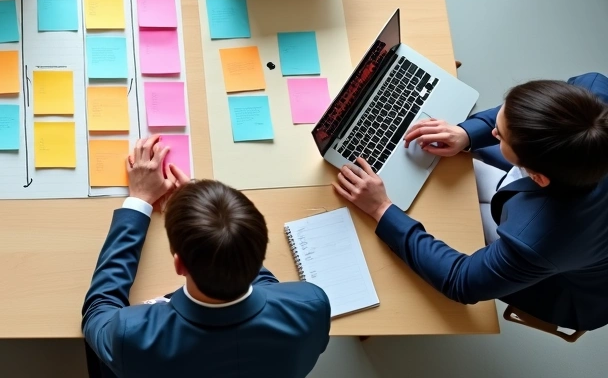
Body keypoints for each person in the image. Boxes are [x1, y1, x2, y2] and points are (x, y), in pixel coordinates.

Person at [334, 73, 608, 331]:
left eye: (499, 135)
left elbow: (461, 281)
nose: (493, 133)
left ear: (537, 176)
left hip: (569, 288)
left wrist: (381, 209)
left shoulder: (538, 241)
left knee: (449, 219)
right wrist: (465, 134)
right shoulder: (594, 95)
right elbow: (516, 116)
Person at [82, 136, 330, 377]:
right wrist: (204, 211)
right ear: (259, 249)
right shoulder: (311, 305)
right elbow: (267, 286)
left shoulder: (132, 335)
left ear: (179, 264)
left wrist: (138, 202)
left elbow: (98, 310)